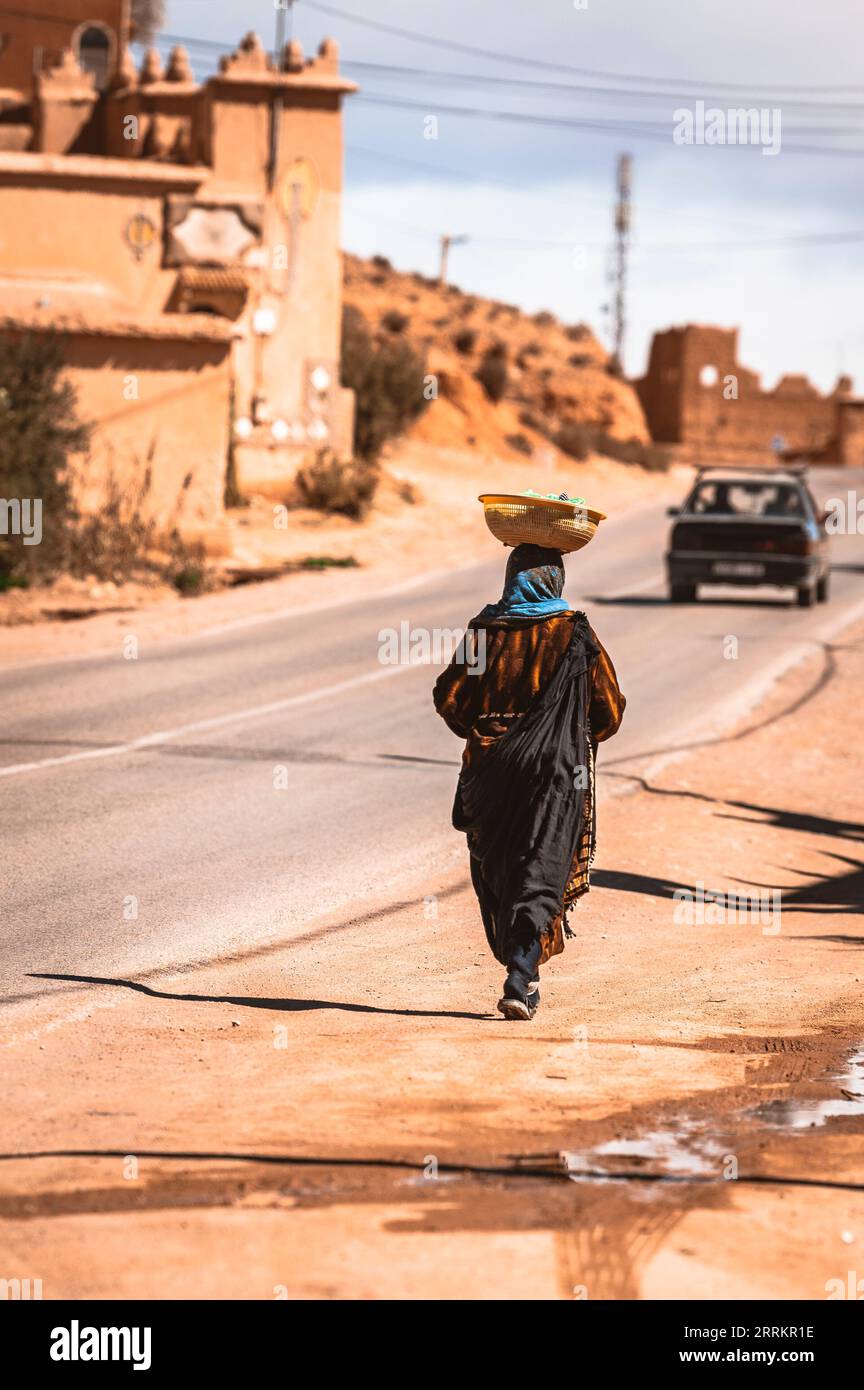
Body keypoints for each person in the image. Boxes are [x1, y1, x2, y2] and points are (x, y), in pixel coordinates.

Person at [433, 542, 625, 1020]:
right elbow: (609, 711)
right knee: (542, 867)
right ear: (556, 581)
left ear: (511, 579)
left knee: (497, 869)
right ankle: (521, 973)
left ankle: (521, 967)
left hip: (490, 771)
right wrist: (565, 734)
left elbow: (450, 700)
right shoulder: (575, 634)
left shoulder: (485, 632)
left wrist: (491, 728)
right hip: (556, 773)